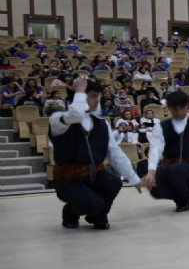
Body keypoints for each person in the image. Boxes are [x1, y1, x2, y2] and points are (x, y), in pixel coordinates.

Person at [49, 77, 142, 230]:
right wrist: (78, 91)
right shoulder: (57, 119)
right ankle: (71, 212)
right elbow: (76, 115)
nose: (97, 100)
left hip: (95, 174)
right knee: (93, 203)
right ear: (79, 97)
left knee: (113, 183)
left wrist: (133, 178)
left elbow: (115, 153)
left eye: (98, 96)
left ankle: (98, 215)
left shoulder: (102, 124)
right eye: (92, 96)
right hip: (69, 179)